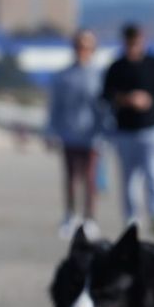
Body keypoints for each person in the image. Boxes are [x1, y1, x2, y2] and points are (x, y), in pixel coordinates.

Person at [102, 22, 154, 236]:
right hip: (124, 131)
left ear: (143, 40)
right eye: (130, 41)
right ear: (125, 42)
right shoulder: (116, 67)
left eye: (137, 41)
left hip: (152, 129)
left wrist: (148, 99)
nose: (133, 45)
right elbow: (105, 94)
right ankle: (132, 220)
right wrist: (124, 99)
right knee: (129, 179)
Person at [45, 28, 106, 240]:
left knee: (90, 178)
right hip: (69, 133)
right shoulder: (63, 76)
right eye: (80, 46)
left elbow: (105, 107)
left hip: (92, 135)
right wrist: (51, 131)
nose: (83, 51)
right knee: (71, 177)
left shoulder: (100, 75)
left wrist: (106, 130)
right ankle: (71, 215)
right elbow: (55, 107)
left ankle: (90, 219)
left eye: (88, 47)